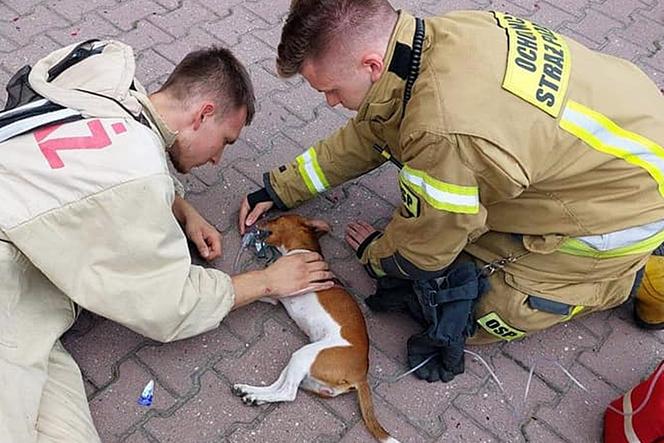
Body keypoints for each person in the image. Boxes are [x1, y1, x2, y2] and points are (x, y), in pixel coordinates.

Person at [239, 0, 664, 383]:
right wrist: (280, 187)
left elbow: (425, 249)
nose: (330, 102)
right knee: (450, 215)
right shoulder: (434, 40)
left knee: (463, 309)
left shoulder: (442, 131)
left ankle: (639, 279)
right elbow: (373, 131)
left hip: (625, 211)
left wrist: (376, 255)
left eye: (331, 89)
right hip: (626, 140)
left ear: (371, 66)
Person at [0, 40, 333, 442]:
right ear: (203, 114)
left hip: (26, 276)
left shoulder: (105, 86)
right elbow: (169, 305)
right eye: (225, 141)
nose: (216, 161)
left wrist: (181, 209)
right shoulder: (140, 177)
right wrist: (267, 281)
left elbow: (95, 163)